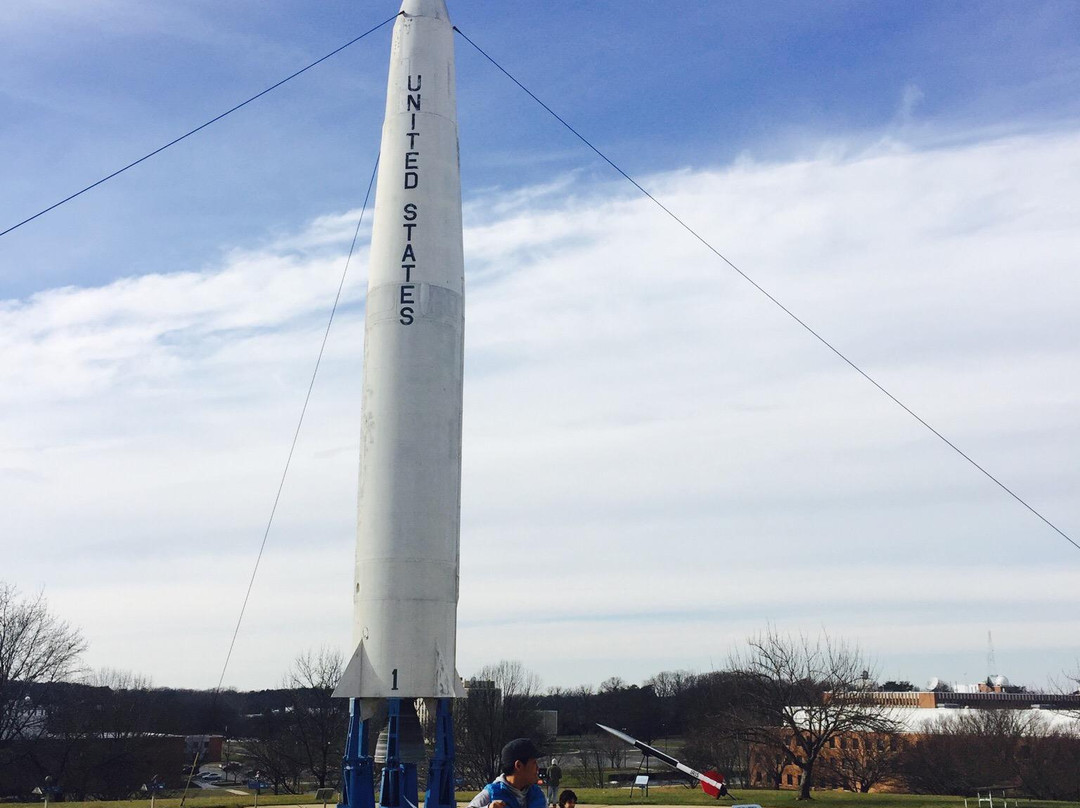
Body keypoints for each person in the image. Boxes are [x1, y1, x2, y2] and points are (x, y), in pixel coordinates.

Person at [468, 738, 546, 808]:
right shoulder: (491, 793)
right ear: (518, 765)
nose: (537, 768)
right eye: (534, 763)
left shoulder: (538, 794)